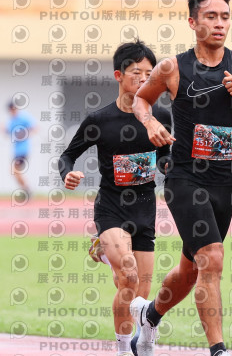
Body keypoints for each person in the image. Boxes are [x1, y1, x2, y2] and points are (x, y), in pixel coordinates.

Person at [129, 0, 232, 356]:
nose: (220, 23)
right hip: (184, 178)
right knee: (212, 257)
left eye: (225, 16)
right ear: (193, 22)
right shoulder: (172, 67)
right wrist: (150, 123)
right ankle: (218, 350)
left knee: (191, 270)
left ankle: (149, 315)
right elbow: (141, 100)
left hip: (225, 181)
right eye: (211, 16)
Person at [58, 40, 172, 356]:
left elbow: (165, 156)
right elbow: (67, 156)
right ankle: (123, 349)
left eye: (150, 74)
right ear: (118, 75)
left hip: (145, 209)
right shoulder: (100, 120)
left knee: (137, 293)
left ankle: (141, 338)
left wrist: (168, 166)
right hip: (111, 208)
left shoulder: (160, 115)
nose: (144, 79)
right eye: (137, 72)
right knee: (129, 274)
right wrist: (67, 173)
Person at [6, 101, 35, 198]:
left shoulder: (23, 117)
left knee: (14, 170)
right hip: (16, 151)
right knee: (14, 171)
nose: (13, 111)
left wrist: (25, 134)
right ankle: (26, 189)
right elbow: (9, 133)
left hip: (23, 150)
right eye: (11, 110)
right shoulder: (11, 121)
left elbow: (34, 128)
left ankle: (27, 189)